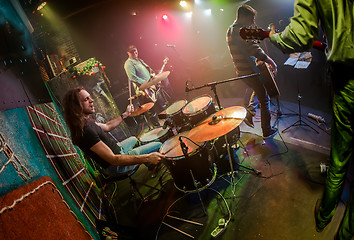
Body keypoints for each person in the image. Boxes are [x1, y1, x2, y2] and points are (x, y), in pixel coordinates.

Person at [267, 1, 353, 239]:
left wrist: (273, 36)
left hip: (347, 82)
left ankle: (325, 213)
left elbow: (298, 36)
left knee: (339, 155)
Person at [63, 86, 165, 179]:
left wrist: (125, 114)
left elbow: (107, 126)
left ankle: (152, 167)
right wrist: (148, 157)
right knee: (159, 145)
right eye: (86, 99)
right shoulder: (85, 132)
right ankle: (153, 163)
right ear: (76, 107)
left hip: (118, 149)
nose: (92, 100)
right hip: (117, 166)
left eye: (90, 97)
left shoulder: (86, 120)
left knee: (134, 139)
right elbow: (114, 160)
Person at [226, 4, 279, 139]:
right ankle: (267, 130)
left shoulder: (230, 30)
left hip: (241, 71)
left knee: (258, 90)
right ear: (243, 16)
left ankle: (250, 113)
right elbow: (255, 50)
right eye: (251, 19)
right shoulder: (242, 30)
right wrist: (272, 62)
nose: (253, 22)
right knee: (264, 98)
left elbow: (245, 47)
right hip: (250, 70)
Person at [124, 45, 171, 119]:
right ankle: (158, 128)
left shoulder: (139, 60)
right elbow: (133, 77)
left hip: (152, 88)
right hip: (145, 92)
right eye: (131, 51)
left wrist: (155, 78)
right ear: (128, 53)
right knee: (154, 114)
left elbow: (149, 71)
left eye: (135, 50)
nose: (134, 52)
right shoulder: (128, 63)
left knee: (163, 107)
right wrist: (148, 84)